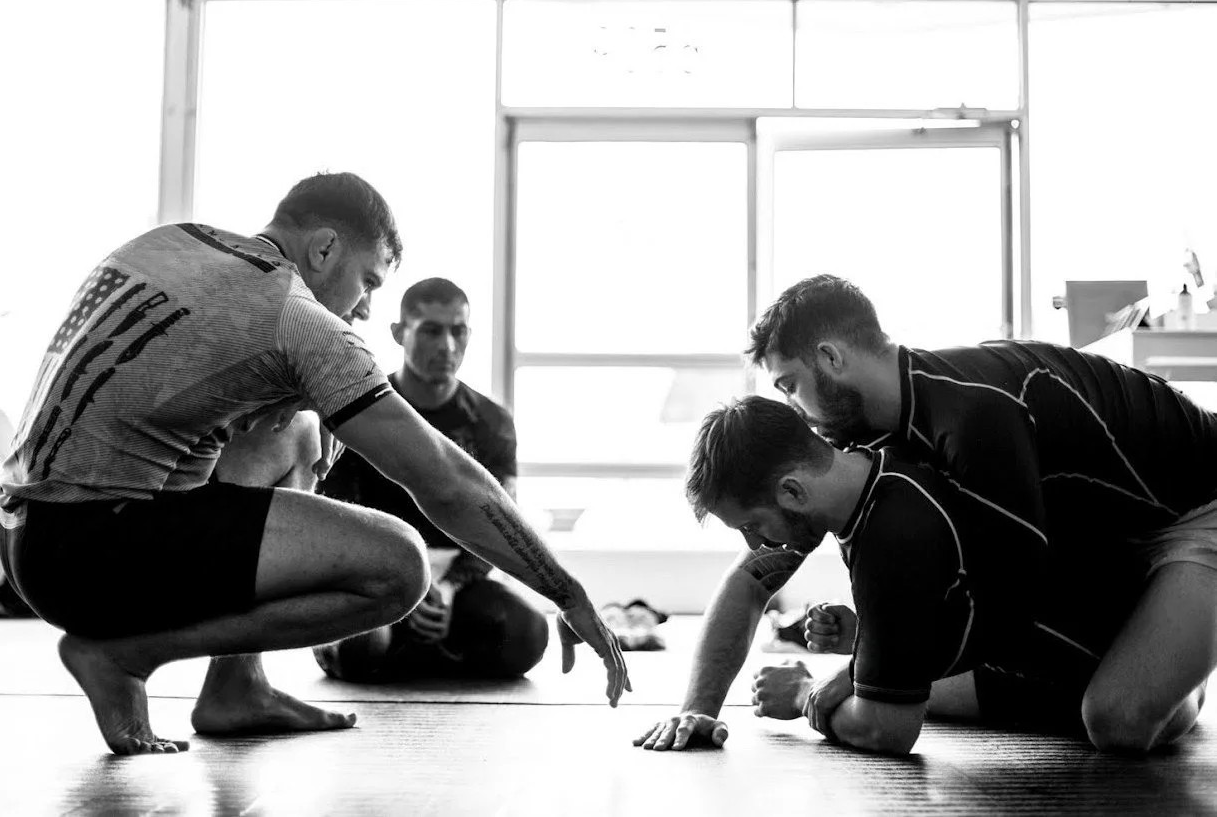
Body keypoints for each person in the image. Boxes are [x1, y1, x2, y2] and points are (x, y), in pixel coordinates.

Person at [0, 171, 629, 756]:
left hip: (23, 535)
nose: (365, 308)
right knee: (399, 568)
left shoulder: (177, 241)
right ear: (324, 249)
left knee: (301, 430)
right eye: (369, 282)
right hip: (90, 551)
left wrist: (312, 401)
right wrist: (565, 592)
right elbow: (444, 481)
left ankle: (236, 687)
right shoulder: (291, 313)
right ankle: (127, 655)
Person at [743, 274, 1217, 754]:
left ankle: (1178, 680)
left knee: (1117, 720)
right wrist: (877, 646)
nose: (795, 411)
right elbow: (945, 561)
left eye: (790, 386)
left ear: (830, 358)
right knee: (921, 661)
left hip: (1199, 513)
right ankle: (1154, 649)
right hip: (1110, 538)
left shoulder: (974, 410)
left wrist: (858, 669)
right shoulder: (885, 428)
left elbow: (1007, 600)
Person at [635, 397, 1195, 756]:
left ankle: (883, 651)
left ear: (791, 492)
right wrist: (698, 710)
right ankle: (882, 649)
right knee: (902, 668)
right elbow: (751, 581)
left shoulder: (892, 535)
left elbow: (887, 732)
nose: (756, 546)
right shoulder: (854, 463)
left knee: (894, 694)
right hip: (1077, 620)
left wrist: (808, 694)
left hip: (1136, 676)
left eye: (754, 526)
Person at [313, 278, 549, 681]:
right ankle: (414, 652)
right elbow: (339, 526)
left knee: (530, 634)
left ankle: (416, 653)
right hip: (379, 578)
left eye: (458, 331)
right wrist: (408, 584)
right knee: (358, 646)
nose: (447, 346)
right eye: (431, 330)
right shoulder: (358, 413)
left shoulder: (492, 424)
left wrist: (450, 588)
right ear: (399, 333)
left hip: (455, 586)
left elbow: (499, 528)